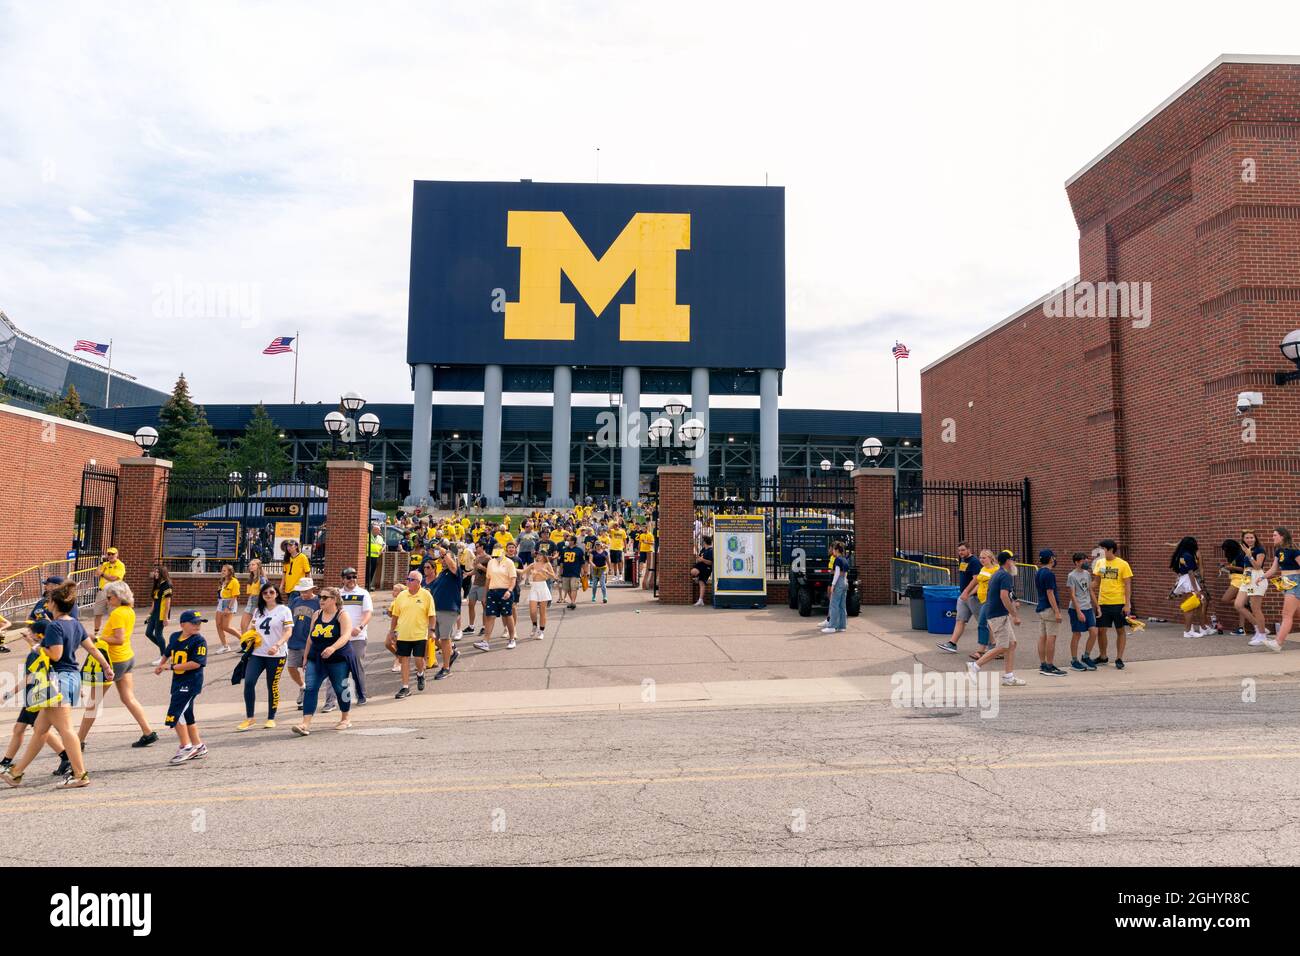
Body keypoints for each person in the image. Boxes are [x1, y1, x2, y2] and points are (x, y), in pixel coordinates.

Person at [2, 581, 113, 789]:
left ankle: (80, 774)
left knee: (66, 730)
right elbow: (92, 648)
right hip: (72, 679)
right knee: (40, 730)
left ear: (53, 603)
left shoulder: (54, 626)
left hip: (58, 681)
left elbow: (56, 654)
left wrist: (35, 646)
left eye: (49, 600)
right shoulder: (76, 624)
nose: (47, 603)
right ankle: (16, 773)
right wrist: (106, 666)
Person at [76, 581, 158, 752]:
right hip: (126, 658)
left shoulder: (118, 614)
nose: (107, 600)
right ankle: (148, 731)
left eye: (109, 597)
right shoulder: (129, 611)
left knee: (93, 702)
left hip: (112, 661)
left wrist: (96, 638)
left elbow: (118, 639)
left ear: (119, 596)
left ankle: (78, 741)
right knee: (128, 697)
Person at [1, 621, 67, 772]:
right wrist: (30, 641)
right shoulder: (44, 649)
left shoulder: (35, 654)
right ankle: (6, 761)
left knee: (40, 730)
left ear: (39, 635)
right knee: (19, 728)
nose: (28, 633)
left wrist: (7, 695)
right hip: (34, 697)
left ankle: (66, 757)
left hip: (36, 697)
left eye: (31, 631)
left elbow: (29, 678)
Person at [293, 587, 353, 735]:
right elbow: (310, 637)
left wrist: (333, 648)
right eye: (320, 597)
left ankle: (345, 718)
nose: (321, 600)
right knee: (310, 688)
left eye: (325, 598)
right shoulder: (316, 614)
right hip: (316, 658)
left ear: (334, 600)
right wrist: (306, 656)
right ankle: (305, 724)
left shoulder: (342, 615)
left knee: (340, 688)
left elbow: (346, 636)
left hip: (337, 659)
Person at [154, 610, 208, 764]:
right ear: (183, 624)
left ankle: (186, 746)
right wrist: (161, 664)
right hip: (178, 681)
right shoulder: (174, 636)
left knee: (175, 713)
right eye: (194, 623)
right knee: (187, 714)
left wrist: (170, 667)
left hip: (191, 681)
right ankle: (198, 745)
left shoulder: (199, 641)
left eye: (199, 623)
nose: (197, 626)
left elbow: (197, 663)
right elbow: (168, 651)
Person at [237, 582, 292, 730]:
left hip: (277, 655)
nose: (268, 595)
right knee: (249, 682)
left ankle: (271, 718)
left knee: (272, 685)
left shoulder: (284, 610)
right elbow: (253, 628)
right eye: (265, 593)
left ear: (277, 594)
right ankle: (250, 718)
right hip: (258, 653)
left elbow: (288, 631)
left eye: (271, 592)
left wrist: (277, 645)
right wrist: (248, 637)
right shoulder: (258, 611)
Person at [967, 550, 1025, 686]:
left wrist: (1013, 602)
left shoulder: (998, 574)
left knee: (1012, 644)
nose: (1014, 563)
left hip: (997, 614)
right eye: (1013, 560)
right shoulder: (1005, 576)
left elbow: (1006, 595)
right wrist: (1015, 615)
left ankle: (1009, 677)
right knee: (1002, 646)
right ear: (1008, 562)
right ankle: (974, 666)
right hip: (998, 615)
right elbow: (1003, 596)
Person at [388, 571, 435, 698]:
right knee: (405, 660)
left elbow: (432, 615)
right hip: (403, 634)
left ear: (418, 582)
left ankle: (420, 674)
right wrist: (392, 631)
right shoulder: (401, 595)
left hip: (419, 634)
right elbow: (395, 615)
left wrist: (432, 631)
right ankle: (405, 687)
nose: (408, 581)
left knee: (419, 659)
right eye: (407, 578)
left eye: (411, 579)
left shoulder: (426, 595)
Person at [1090, 539, 1133, 668]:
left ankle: (1119, 658)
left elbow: (1127, 585)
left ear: (1110, 550)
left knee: (1120, 630)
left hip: (1118, 602)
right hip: (1103, 602)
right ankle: (1103, 656)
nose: (1100, 551)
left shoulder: (1123, 564)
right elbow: (1096, 582)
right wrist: (1085, 586)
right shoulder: (1099, 563)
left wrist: (1127, 604)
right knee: (1101, 631)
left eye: (1102, 549)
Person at [1225, 531, 1269, 644]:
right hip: (1246, 578)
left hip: (1256, 577)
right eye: (1247, 538)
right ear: (1243, 539)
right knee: (1238, 604)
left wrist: (1249, 556)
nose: (1249, 539)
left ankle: (1262, 635)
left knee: (1256, 608)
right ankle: (1258, 628)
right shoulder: (1244, 550)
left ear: (1255, 538)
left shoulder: (1259, 550)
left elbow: (1258, 566)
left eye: (1251, 537)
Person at [1261, 527, 1300, 652]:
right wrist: (1261, 577)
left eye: (1274, 535)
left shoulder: (1294, 551)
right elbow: (1273, 569)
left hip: (1295, 582)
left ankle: (1278, 643)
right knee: (1296, 613)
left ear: (1282, 536)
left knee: (1287, 614)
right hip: (1286, 582)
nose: (1272, 537)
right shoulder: (1279, 552)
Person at [936, 543, 980, 653]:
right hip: (963, 597)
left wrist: (967, 592)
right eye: (959, 550)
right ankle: (952, 643)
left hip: (974, 597)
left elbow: (976, 579)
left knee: (983, 622)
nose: (961, 552)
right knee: (960, 620)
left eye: (963, 550)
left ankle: (994, 646)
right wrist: (963, 594)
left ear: (969, 549)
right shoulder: (962, 561)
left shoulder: (974, 562)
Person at [286, 578, 323, 710]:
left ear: (313, 589)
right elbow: (288, 617)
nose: (303, 594)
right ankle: (302, 686)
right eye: (301, 591)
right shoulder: (296, 601)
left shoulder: (319, 602)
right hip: (294, 639)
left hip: (310, 641)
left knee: (308, 669)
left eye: (306, 591)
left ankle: (308, 695)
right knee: (291, 667)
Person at [474, 548, 519, 651]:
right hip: (492, 592)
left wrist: (509, 591)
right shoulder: (491, 562)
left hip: (505, 592)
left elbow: (513, 579)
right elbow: (488, 579)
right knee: (490, 616)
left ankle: (512, 639)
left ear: (503, 552)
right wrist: (485, 595)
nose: (496, 555)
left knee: (507, 615)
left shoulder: (509, 562)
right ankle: (485, 642)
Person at [339, 567, 372, 705]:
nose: (352, 579)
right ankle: (339, 699)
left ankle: (361, 695)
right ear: (342, 579)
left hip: (357, 637)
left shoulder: (363, 593)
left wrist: (360, 627)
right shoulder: (337, 594)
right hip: (340, 638)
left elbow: (368, 613)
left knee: (356, 666)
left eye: (354, 577)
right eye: (348, 577)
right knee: (340, 669)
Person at [429, 546, 462, 680]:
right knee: (433, 638)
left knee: (444, 638)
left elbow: (452, 564)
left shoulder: (456, 572)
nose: (443, 561)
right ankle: (452, 652)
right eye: (442, 559)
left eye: (445, 559)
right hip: (436, 610)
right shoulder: (442, 574)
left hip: (448, 609)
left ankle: (446, 668)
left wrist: (444, 551)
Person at [1170, 536, 1209, 639]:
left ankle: (1198, 628)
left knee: (1195, 605)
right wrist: (1195, 588)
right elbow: (1191, 572)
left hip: (1184, 579)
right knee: (1190, 607)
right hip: (1188, 581)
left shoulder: (1181, 554)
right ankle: (1188, 631)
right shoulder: (1188, 555)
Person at [1066, 553, 1099, 671]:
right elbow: (1072, 595)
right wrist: (1079, 611)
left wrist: (1097, 606)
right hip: (1076, 608)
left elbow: (1090, 590)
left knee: (1094, 631)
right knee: (1077, 634)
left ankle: (1086, 656)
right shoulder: (1072, 576)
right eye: (1083, 561)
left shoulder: (1087, 574)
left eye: (1086, 560)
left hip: (1088, 607)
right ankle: (1074, 660)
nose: (1086, 562)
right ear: (1077, 562)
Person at [1034, 550, 1065, 676]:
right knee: (1051, 638)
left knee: (1042, 637)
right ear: (1051, 559)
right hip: (1049, 609)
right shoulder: (1049, 574)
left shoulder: (1039, 572)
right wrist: (1057, 611)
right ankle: (1050, 665)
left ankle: (1043, 664)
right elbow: (1050, 592)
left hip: (1041, 608)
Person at [144, 565, 173, 666]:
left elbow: (168, 602)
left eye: (157, 572)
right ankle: (166, 652)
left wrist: (166, 617)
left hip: (161, 614)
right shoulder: (157, 585)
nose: (155, 573)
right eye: (155, 572)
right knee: (148, 633)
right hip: (155, 613)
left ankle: (163, 656)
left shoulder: (167, 585)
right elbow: (154, 602)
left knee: (158, 634)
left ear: (162, 573)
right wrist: (149, 614)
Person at [92, 546, 125, 632]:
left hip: (113, 593)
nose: (110, 556)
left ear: (117, 555)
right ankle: (96, 632)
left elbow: (113, 578)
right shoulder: (105, 564)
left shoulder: (120, 565)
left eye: (112, 554)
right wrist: (100, 563)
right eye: (109, 554)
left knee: (113, 614)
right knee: (98, 613)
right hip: (102, 591)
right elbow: (96, 574)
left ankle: (112, 632)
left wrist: (102, 574)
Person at [821, 541, 850, 634]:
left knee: (834, 604)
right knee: (842, 605)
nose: (832, 551)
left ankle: (832, 626)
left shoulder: (837, 560)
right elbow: (845, 573)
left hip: (838, 582)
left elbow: (837, 573)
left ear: (837, 550)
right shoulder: (845, 559)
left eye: (833, 549)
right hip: (845, 582)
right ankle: (842, 626)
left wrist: (833, 585)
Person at [214, 563, 241, 653]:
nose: (222, 572)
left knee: (226, 627)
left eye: (224, 570)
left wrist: (228, 608)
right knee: (218, 625)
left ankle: (244, 640)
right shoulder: (222, 581)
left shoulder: (234, 581)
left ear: (230, 572)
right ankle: (225, 646)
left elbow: (235, 596)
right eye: (222, 570)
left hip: (229, 603)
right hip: (221, 603)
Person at [239, 558, 267, 635]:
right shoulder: (251, 578)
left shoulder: (262, 579)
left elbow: (264, 593)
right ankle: (245, 642)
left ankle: (251, 643)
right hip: (250, 602)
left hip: (258, 603)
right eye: (250, 565)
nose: (250, 566)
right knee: (243, 625)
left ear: (258, 566)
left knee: (255, 627)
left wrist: (260, 606)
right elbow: (250, 593)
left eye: (253, 564)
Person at [558, 534, 585, 611]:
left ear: (573, 541)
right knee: (567, 589)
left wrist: (584, 571)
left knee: (574, 588)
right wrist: (560, 573)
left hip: (575, 572)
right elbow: (561, 563)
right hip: (566, 572)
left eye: (569, 540)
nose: (567, 541)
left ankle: (573, 602)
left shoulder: (579, 550)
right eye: (567, 540)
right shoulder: (564, 550)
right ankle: (572, 601)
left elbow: (582, 562)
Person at [691, 535, 712, 607]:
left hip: (706, 568)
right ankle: (701, 600)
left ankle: (700, 600)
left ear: (705, 541)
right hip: (700, 566)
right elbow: (699, 557)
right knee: (694, 573)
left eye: (702, 540)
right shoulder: (703, 549)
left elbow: (710, 562)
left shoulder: (710, 550)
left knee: (701, 583)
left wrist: (702, 560)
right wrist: (698, 559)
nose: (701, 542)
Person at [367, 523, 385, 589]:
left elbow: (383, 545)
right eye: (378, 530)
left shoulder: (380, 538)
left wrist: (381, 551)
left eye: (379, 530)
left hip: (376, 556)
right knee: (367, 570)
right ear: (373, 530)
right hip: (367, 556)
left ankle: (369, 584)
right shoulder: (367, 536)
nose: (379, 532)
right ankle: (366, 584)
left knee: (372, 571)